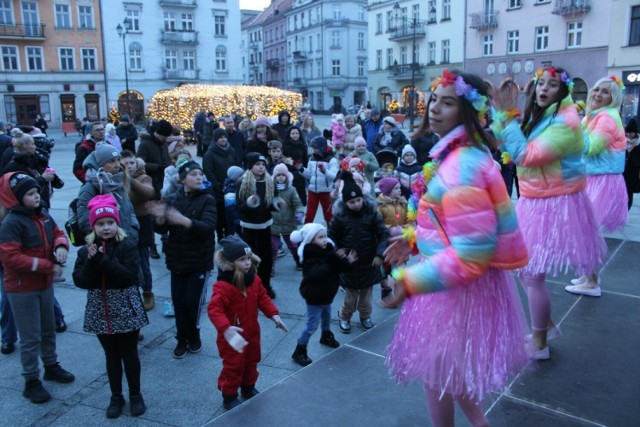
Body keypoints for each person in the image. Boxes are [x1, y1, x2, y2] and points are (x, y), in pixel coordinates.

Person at [383, 70, 530, 426]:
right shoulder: (457, 155)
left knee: (438, 372)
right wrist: (415, 237)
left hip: (454, 287)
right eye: (434, 98)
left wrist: (412, 279)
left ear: (468, 111)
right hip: (447, 280)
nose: (434, 108)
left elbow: (470, 255)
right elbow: (452, 222)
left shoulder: (464, 166)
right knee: (443, 369)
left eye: (448, 102)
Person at [492, 66, 606, 359]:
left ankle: (540, 344)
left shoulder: (566, 122)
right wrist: (499, 115)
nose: (543, 89)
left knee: (531, 274)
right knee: (524, 270)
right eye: (540, 83)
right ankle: (546, 327)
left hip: (553, 203)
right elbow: (506, 140)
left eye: (552, 85)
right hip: (536, 199)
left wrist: (508, 117)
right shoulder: (544, 115)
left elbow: (526, 155)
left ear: (563, 90)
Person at [0, 172, 75, 404]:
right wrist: (45, 266)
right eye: (30, 194)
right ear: (16, 197)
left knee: (48, 329)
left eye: (36, 192)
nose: (36, 196)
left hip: (44, 284)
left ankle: (51, 366)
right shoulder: (11, 222)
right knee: (30, 337)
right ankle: (31, 381)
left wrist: (61, 246)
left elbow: (57, 233)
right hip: (22, 288)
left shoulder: (42, 213)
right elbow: (10, 258)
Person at [72, 195, 148, 418]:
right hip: (100, 309)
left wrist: (102, 261)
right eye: (100, 223)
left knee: (130, 355)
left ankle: (135, 394)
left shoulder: (127, 245)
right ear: (93, 226)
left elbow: (128, 277)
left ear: (117, 223)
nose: (106, 227)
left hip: (125, 308)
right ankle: (116, 395)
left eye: (110, 222)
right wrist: (90, 261)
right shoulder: (85, 251)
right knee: (111, 356)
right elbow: (81, 281)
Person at [207, 236, 288, 410]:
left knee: (252, 360)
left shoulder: (254, 279)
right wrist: (225, 328)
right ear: (230, 262)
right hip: (232, 336)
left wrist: (274, 314)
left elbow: (262, 298)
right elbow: (214, 309)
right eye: (242, 260)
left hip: (252, 331)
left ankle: (248, 387)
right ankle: (229, 395)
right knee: (233, 365)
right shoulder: (224, 286)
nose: (247, 263)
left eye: (249, 259)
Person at [567, 76, 628, 295]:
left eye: (605, 92)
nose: (598, 94)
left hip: (603, 181)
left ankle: (592, 283)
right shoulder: (596, 116)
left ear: (614, 97)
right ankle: (588, 276)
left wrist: (574, 125)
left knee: (587, 231)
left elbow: (590, 147)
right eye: (596, 89)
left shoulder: (608, 118)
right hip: (595, 178)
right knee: (586, 230)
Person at [148, 160, 216, 358]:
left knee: (192, 302)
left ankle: (194, 336)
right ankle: (181, 338)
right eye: (193, 174)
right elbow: (160, 228)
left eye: (200, 174)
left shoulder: (207, 199)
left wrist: (184, 221)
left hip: (199, 261)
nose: (198, 177)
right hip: (177, 260)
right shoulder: (171, 198)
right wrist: (160, 218)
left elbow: (207, 228)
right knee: (178, 302)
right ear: (183, 178)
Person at [289, 223, 357, 366]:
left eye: (325, 236)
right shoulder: (310, 255)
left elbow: (339, 268)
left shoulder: (327, 252)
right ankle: (299, 350)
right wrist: (333, 259)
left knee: (326, 317)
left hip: (326, 294)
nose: (324, 239)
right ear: (310, 239)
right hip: (314, 296)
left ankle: (325, 336)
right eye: (320, 237)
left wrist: (347, 262)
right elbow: (317, 272)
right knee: (312, 324)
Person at [330, 171, 389, 333]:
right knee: (350, 297)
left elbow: (383, 234)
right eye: (352, 202)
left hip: (369, 262)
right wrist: (338, 251)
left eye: (358, 200)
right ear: (345, 202)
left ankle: (365, 316)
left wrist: (379, 254)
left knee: (366, 297)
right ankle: (345, 316)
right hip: (349, 264)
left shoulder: (371, 214)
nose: (356, 204)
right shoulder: (340, 217)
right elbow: (331, 238)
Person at [236, 153, 279, 298]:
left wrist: (277, 205)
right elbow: (238, 206)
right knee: (249, 258)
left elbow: (273, 202)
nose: (261, 167)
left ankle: (265, 286)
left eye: (263, 164)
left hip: (265, 225)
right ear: (250, 167)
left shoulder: (269, 182)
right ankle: (249, 285)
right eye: (257, 164)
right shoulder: (243, 183)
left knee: (266, 258)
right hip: (249, 226)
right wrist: (248, 204)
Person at [77, 144, 139, 243]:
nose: (117, 165)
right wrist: (101, 238)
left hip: (127, 239)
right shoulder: (91, 187)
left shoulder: (118, 181)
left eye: (118, 160)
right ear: (100, 164)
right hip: (106, 242)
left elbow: (129, 208)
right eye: (111, 161)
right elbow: (84, 217)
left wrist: (134, 229)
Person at [120, 151, 156, 311]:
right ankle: (132, 292)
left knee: (143, 261)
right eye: (125, 164)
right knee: (128, 261)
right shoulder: (116, 178)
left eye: (132, 163)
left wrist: (128, 179)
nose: (129, 166)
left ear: (137, 163)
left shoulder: (144, 177)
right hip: (124, 224)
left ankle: (147, 292)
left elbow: (148, 192)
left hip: (142, 224)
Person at [203, 128, 241, 243]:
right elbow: (208, 171)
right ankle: (220, 236)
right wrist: (217, 186)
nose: (223, 139)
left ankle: (230, 235)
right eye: (220, 137)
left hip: (232, 188)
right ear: (216, 139)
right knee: (220, 215)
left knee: (232, 213)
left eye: (225, 137)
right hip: (218, 190)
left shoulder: (232, 151)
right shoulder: (210, 153)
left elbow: (238, 165)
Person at [375, 177, 409, 302]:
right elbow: (377, 223)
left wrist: (406, 229)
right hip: (386, 243)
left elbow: (410, 220)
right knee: (384, 270)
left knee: (399, 269)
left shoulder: (403, 203)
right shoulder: (380, 206)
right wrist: (390, 229)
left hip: (400, 242)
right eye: (396, 188)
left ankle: (398, 294)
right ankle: (387, 294)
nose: (399, 190)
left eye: (399, 188)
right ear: (388, 191)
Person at [270, 164, 304, 273]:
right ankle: (271, 266)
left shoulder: (291, 190)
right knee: (273, 247)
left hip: (288, 223)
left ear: (287, 177)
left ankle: (299, 261)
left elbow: (298, 203)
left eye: (283, 175)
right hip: (273, 223)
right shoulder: (270, 190)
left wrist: (299, 213)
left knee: (293, 245)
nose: (280, 177)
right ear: (274, 177)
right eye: (278, 175)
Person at [301, 137, 338, 224]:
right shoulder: (312, 159)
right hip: (312, 191)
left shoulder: (331, 160)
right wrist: (301, 169)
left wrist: (325, 171)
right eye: (313, 148)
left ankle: (331, 233)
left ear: (322, 148)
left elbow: (334, 176)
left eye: (316, 148)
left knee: (328, 216)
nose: (314, 150)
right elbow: (309, 175)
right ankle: (307, 234)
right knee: (309, 215)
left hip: (326, 191)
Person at [623, 118, 640, 209]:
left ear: (635, 132)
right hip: (622, 171)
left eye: (631, 132)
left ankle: (626, 209)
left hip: (633, 172)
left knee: (629, 192)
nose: (629, 134)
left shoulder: (638, 144)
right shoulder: (623, 142)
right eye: (627, 132)